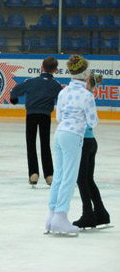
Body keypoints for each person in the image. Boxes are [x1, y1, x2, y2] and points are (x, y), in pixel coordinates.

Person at [44, 55, 98, 235]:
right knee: (69, 176)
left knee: (59, 175)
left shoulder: (63, 91)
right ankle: (60, 217)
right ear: (86, 74)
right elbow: (93, 121)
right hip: (73, 135)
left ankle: (51, 216)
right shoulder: (86, 95)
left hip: (59, 133)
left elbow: (58, 117)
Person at [10, 57, 62, 186]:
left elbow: (15, 90)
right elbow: (62, 99)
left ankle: (33, 174)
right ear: (56, 70)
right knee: (45, 145)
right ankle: (49, 175)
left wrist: (14, 99)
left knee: (31, 143)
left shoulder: (31, 81)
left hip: (32, 115)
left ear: (41, 68)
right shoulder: (56, 85)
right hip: (45, 116)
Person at [73, 72, 110, 229]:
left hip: (84, 142)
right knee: (88, 179)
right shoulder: (88, 96)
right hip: (91, 142)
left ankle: (88, 214)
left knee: (82, 179)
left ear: (88, 83)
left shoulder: (85, 97)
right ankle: (101, 213)